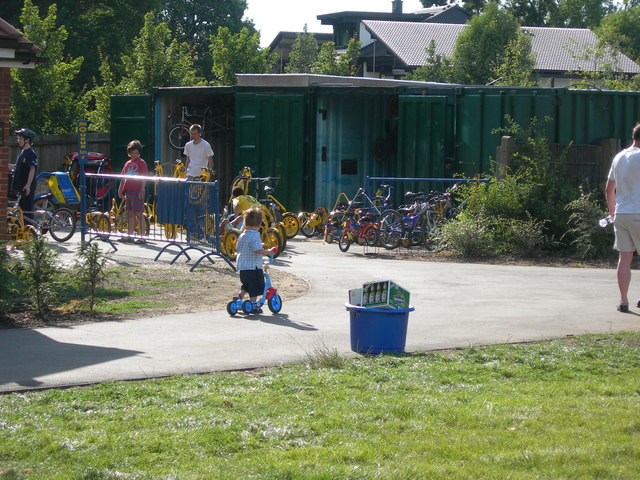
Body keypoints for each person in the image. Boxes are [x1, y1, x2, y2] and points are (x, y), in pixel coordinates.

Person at [605, 123, 640, 313]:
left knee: (624, 258)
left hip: (621, 213)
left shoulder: (619, 157)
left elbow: (609, 188)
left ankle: (624, 300)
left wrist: (612, 211)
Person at [234, 207, 277, 313]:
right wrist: (268, 252)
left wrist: (260, 246)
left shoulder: (242, 235)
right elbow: (257, 250)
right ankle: (253, 305)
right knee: (255, 286)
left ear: (245, 223)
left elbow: (238, 248)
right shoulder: (255, 236)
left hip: (243, 267)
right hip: (253, 267)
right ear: (259, 224)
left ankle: (239, 296)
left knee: (246, 284)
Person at [117, 139, 148, 244]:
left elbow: (144, 177)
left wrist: (141, 190)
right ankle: (130, 235)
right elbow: (123, 177)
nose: (134, 155)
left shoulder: (141, 163)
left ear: (139, 152)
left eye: (136, 152)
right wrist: (120, 190)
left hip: (137, 190)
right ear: (129, 153)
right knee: (130, 213)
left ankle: (142, 237)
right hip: (129, 191)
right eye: (132, 153)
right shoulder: (127, 163)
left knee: (139, 213)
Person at [12, 128, 38, 219]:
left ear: (27, 140)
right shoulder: (21, 152)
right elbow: (16, 167)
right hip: (20, 185)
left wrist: (28, 185)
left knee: (27, 211)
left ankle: (31, 231)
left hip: (27, 186)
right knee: (21, 211)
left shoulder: (31, 154)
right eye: (18, 138)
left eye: (20, 139)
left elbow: (32, 170)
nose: (18, 141)